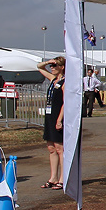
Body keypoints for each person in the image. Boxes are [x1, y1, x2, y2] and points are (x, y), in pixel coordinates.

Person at [36, 57, 65, 189]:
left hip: (58, 116)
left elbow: (66, 102)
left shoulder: (65, 82)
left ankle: (62, 178)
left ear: (62, 67)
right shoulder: (53, 80)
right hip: (49, 116)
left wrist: (59, 119)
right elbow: (39, 67)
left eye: (55, 66)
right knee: (51, 148)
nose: (52, 68)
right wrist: (48, 62)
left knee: (60, 148)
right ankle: (53, 177)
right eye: (52, 66)